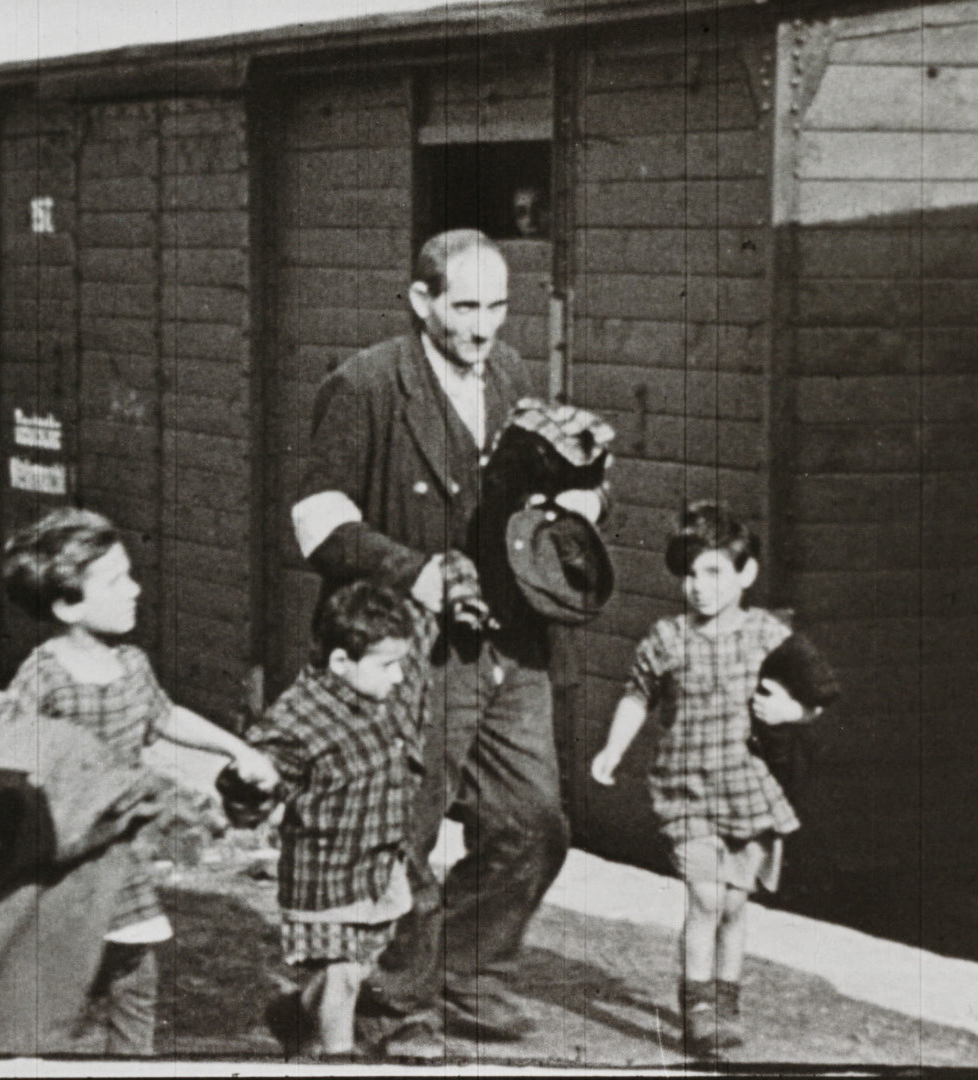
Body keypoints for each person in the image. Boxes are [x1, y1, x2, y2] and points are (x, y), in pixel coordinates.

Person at [292, 228, 606, 1048]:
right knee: (408, 831)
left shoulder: (509, 373)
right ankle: (397, 1006)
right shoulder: (363, 386)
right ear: (421, 300)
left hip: (509, 645)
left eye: (498, 306)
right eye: (465, 306)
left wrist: (582, 500)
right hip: (413, 649)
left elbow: (540, 501)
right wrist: (418, 575)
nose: (484, 326)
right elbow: (316, 521)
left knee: (534, 823)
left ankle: (469, 974)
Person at [0, 507, 279, 1055]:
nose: (135, 589)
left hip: (116, 858)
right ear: (66, 604)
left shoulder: (132, 665)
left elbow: (164, 717)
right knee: (43, 985)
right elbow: (4, 756)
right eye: (117, 580)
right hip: (59, 868)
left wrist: (237, 747)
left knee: (134, 979)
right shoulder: (44, 676)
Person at [590, 501, 834, 1057]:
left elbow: (817, 697)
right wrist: (612, 749)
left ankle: (728, 998)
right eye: (690, 574)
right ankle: (697, 1005)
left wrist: (790, 714)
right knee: (704, 895)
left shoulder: (769, 636)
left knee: (734, 904)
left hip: (748, 791)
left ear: (746, 575)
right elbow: (637, 695)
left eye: (714, 572)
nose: (699, 587)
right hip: (686, 790)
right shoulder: (667, 638)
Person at [226, 580, 434, 1058]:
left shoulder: (370, 695)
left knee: (357, 968)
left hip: (377, 868)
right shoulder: (299, 719)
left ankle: (297, 1011)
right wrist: (248, 787)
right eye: (388, 665)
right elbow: (256, 775)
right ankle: (339, 1058)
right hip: (327, 875)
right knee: (342, 974)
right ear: (341, 662)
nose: (399, 677)